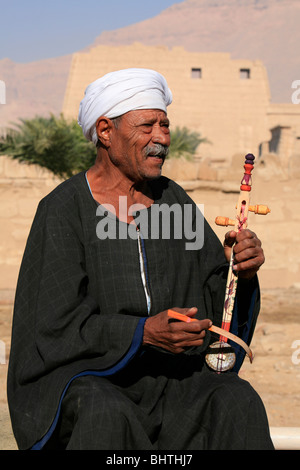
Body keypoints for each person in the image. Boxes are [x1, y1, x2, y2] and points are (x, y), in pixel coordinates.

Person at [7, 68, 274, 450]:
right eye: (147, 125)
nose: (162, 138)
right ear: (105, 131)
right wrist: (142, 333)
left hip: (173, 381)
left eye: (165, 125)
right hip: (93, 378)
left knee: (236, 400)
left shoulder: (174, 202)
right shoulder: (63, 210)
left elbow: (217, 300)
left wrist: (240, 272)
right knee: (104, 412)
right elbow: (52, 327)